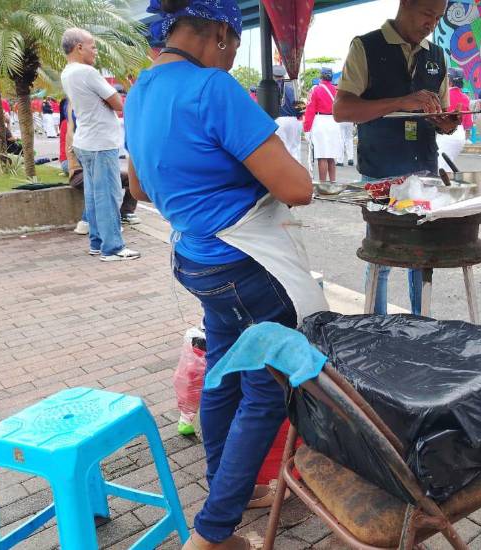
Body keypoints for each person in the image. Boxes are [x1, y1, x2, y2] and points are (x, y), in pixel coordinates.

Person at [125, 1, 327, 548]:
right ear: (219, 32)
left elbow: (140, 189)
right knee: (266, 391)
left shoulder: (140, 89)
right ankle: (212, 534)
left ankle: (224, 488)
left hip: (195, 259)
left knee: (222, 375)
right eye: (233, 46)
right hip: (243, 265)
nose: (231, 58)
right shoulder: (213, 90)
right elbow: (299, 188)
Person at [334, 0, 459, 316]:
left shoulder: (436, 56)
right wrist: (402, 101)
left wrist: (445, 123)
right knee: (383, 253)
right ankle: (377, 324)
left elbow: (440, 114)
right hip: (380, 171)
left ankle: (422, 321)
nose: (432, 23)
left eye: (438, 17)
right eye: (427, 14)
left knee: (422, 254)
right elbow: (343, 110)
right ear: (406, 5)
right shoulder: (367, 46)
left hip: (424, 170)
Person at [61, 27, 139, 261]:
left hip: (85, 141)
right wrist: (110, 101)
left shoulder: (68, 72)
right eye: (93, 46)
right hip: (100, 142)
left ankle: (97, 242)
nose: (95, 51)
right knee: (109, 195)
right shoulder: (87, 72)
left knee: (94, 196)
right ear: (79, 47)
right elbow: (118, 103)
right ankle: (113, 248)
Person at [304, 67, 343, 182]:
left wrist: (307, 128)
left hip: (321, 122)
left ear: (321, 76)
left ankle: (323, 185)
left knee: (322, 156)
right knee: (331, 156)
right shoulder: (336, 90)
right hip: (333, 122)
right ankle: (333, 182)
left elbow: (310, 110)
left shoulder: (316, 90)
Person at [436, 67, 472, 172]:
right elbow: (468, 122)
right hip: (460, 134)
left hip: (446, 133)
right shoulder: (465, 97)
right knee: (448, 164)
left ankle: (446, 187)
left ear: (449, 81)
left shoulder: (444, 96)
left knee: (440, 167)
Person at [272, 65, 304, 163]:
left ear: (273, 75)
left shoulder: (271, 88)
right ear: (283, 75)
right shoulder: (292, 88)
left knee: (282, 150)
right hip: (294, 120)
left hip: (279, 120)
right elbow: (301, 108)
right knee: (295, 149)